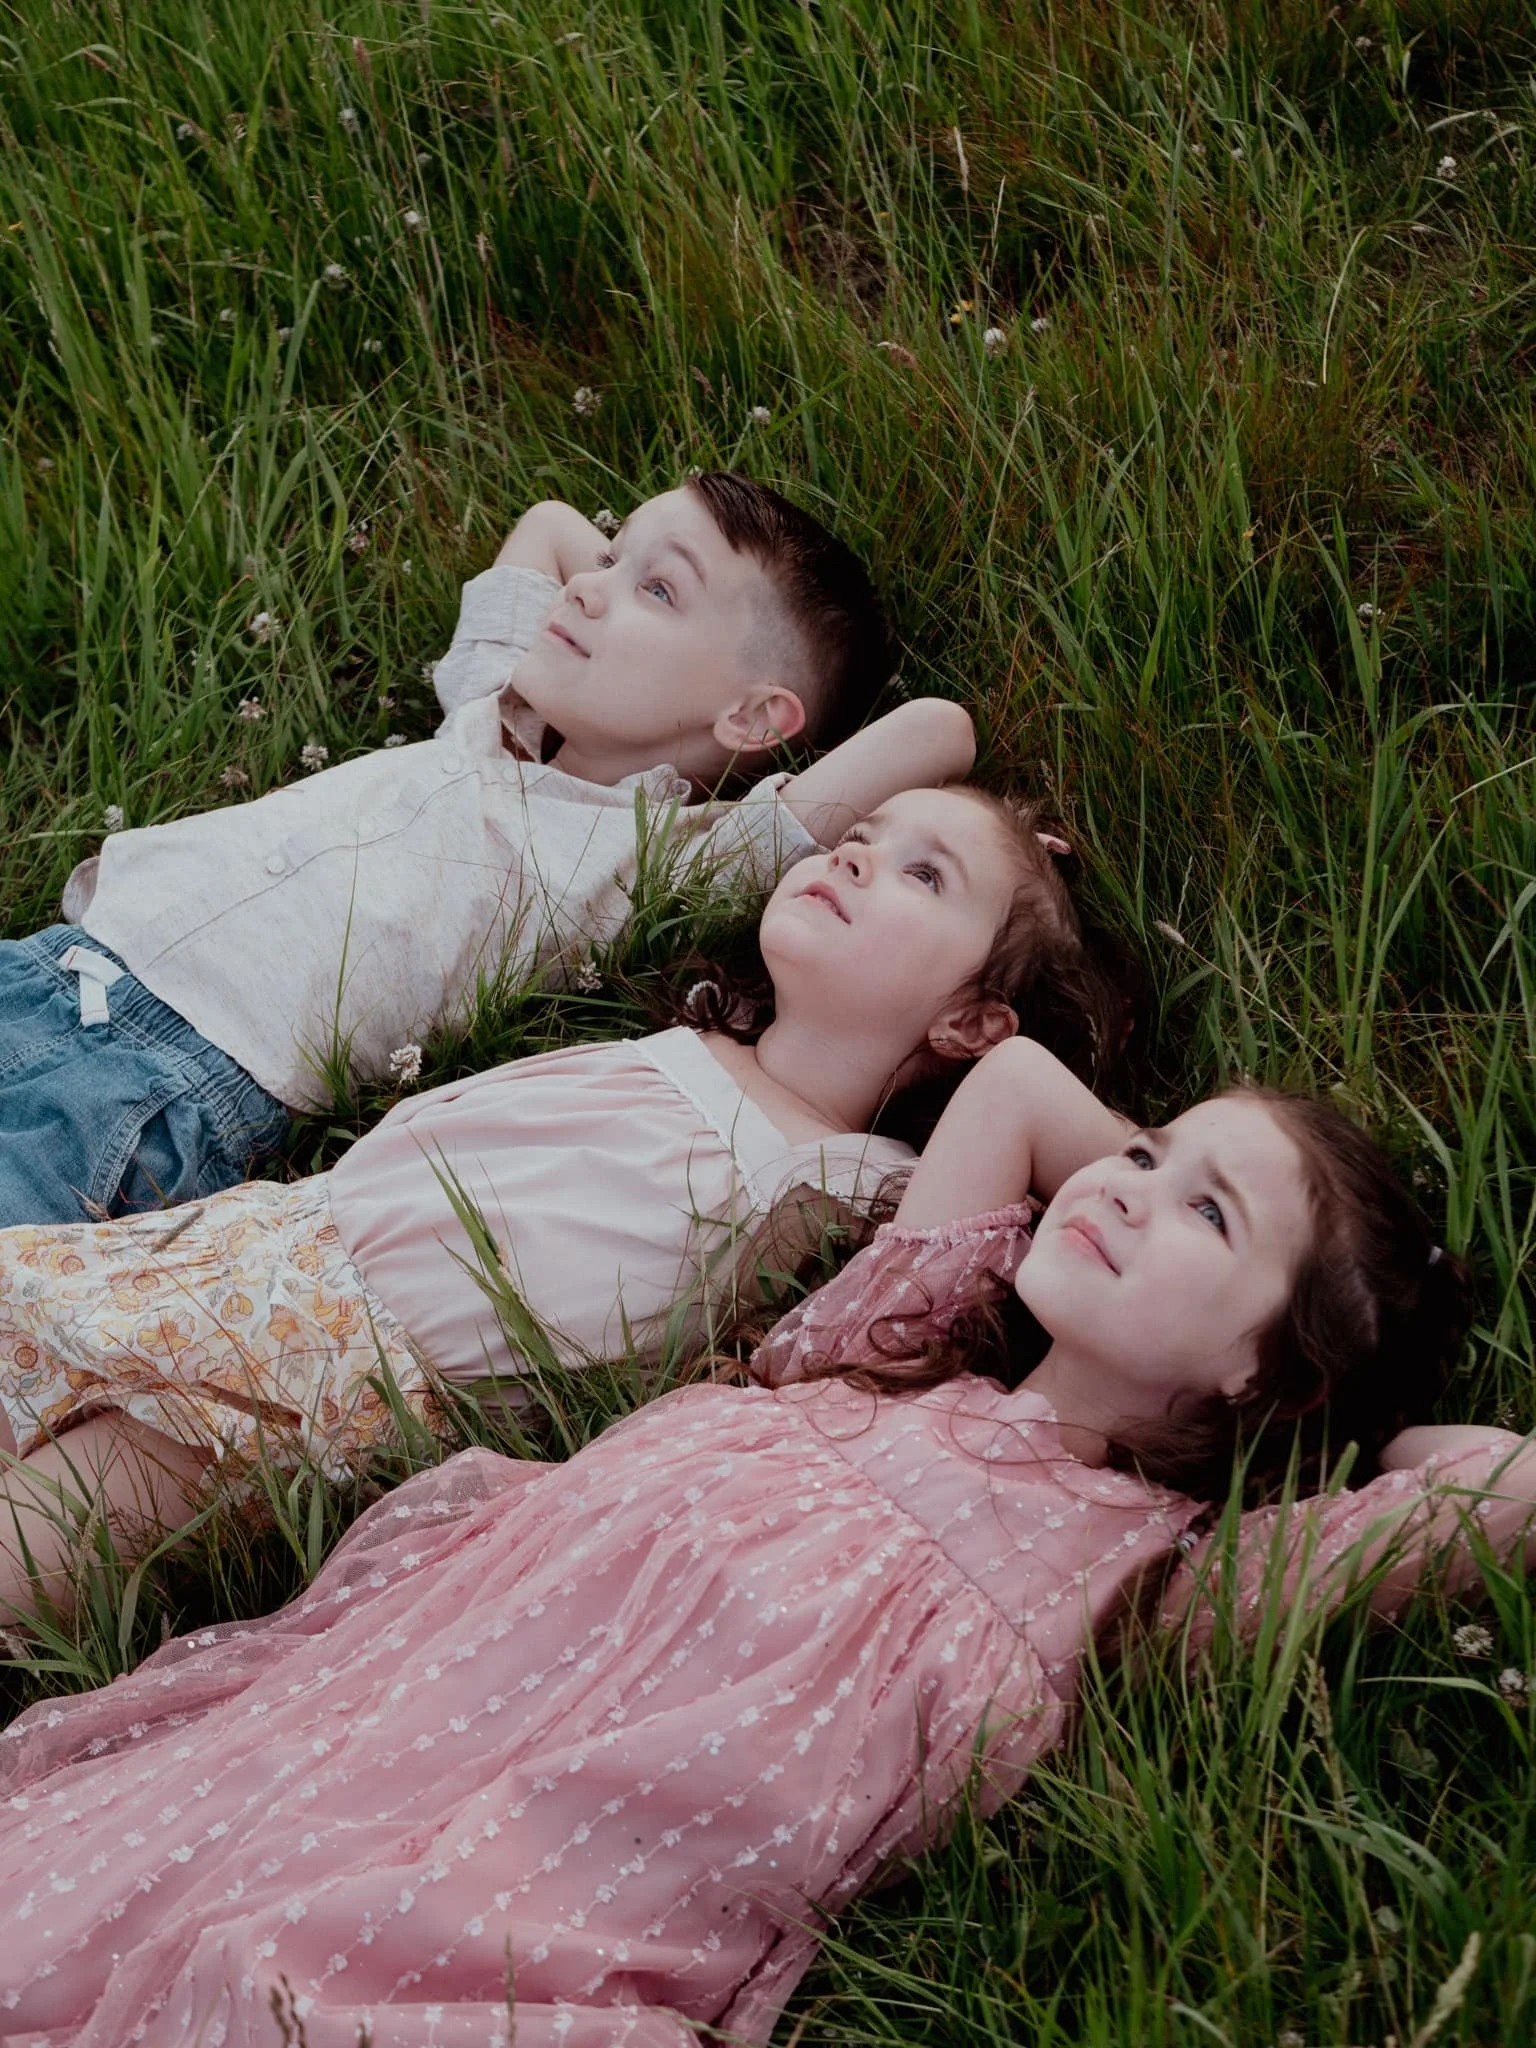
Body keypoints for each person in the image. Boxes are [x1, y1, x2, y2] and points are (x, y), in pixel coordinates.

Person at [1, 1042, 1530, 2048]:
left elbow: (1506, 1487)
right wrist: (1174, 1197)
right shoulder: (892, 1352)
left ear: (1265, 1373)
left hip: (559, 1855)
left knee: (280, 1977)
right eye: (1144, 1153)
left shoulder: (1142, 1577)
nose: (1124, 1190)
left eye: (1207, 1213)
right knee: (101, 1888)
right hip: (398, 1713)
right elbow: (1003, 1082)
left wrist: (1368, 1432)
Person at [0, 784, 1119, 1618]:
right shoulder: (696, 1031)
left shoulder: (854, 1186)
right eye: (862, 838)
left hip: (334, 1376)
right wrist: (989, 826)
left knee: (36, 1532)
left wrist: (1049, 1070)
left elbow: (1064, 1149)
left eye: (927, 877)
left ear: (974, 1026)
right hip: (257, 1243)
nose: (861, 858)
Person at [0, 471, 975, 1227]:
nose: (588, 590)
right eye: (610, 561)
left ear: (754, 712)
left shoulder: (637, 860)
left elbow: (940, 726)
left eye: (658, 590)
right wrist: (632, 571)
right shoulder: (486, 704)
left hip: (159, 1082)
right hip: (52, 967)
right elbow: (549, 522)